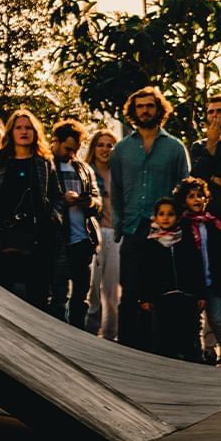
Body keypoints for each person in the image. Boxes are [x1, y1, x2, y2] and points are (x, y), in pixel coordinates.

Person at [111, 86, 190, 349]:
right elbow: (117, 190)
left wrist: (180, 229)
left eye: (150, 106)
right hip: (134, 228)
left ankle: (164, 349)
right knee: (130, 292)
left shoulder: (175, 147)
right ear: (133, 111)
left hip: (165, 232)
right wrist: (120, 226)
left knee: (162, 292)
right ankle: (125, 349)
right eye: (140, 106)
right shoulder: (122, 149)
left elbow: (184, 190)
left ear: (159, 110)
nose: (145, 110)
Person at [0, 109, 62, 309]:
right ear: (11, 132)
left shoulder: (43, 162)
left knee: (38, 301)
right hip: (4, 242)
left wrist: (54, 218)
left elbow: (57, 195)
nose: (24, 132)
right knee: (4, 302)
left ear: (35, 132)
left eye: (28, 128)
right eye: (19, 128)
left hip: (39, 241)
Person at [47, 120, 102, 328]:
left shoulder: (83, 168)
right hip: (58, 240)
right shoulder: (46, 165)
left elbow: (97, 200)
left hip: (83, 239)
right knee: (58, 296)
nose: (71, 153)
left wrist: (89, 202)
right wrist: (63, 199)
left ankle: (79, 335)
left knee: (81, 297)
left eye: (76, 150)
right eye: (68, 148)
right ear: (56, 141)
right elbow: (42, 200)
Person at [138, 197, 206, 362]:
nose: (166, 218)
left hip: (186, 297)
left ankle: (193, 367)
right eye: (161, 214)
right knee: (164, 339)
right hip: (162, 299)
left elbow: (196, 267)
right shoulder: (151, 242)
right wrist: (145, 297)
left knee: (189, 337)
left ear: (177, 217)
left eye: (170, 214)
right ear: (155, 217)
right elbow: (145, 273)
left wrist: (200, 294)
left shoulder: (186, 239)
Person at [174, 176, 221, 365]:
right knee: (194, 323)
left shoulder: (213, 224)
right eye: (191, 196)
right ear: (184, 200)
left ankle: (212, 349)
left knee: (217, 319)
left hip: (214, 282)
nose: (196, 199)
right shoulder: (182, 226)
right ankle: (197, 354)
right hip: (193, 284)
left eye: (200, 196)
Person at [83, 128, 120, 340]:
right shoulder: (85, 171)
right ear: (94, 147)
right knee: (92, 290)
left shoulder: (119, 174)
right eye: (101, 144)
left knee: (112, 291)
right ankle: (88, 335)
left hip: (115, 234)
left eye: (110, 145)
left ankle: (110, 336)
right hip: (93, 234)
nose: (105, 149)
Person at [190, 94, 221, 217]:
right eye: (211, 112)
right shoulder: (199, 146)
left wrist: (212, 177)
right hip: (208, 217)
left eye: (219, 111)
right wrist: (211, 144)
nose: (214, 115)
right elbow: (197, 179)